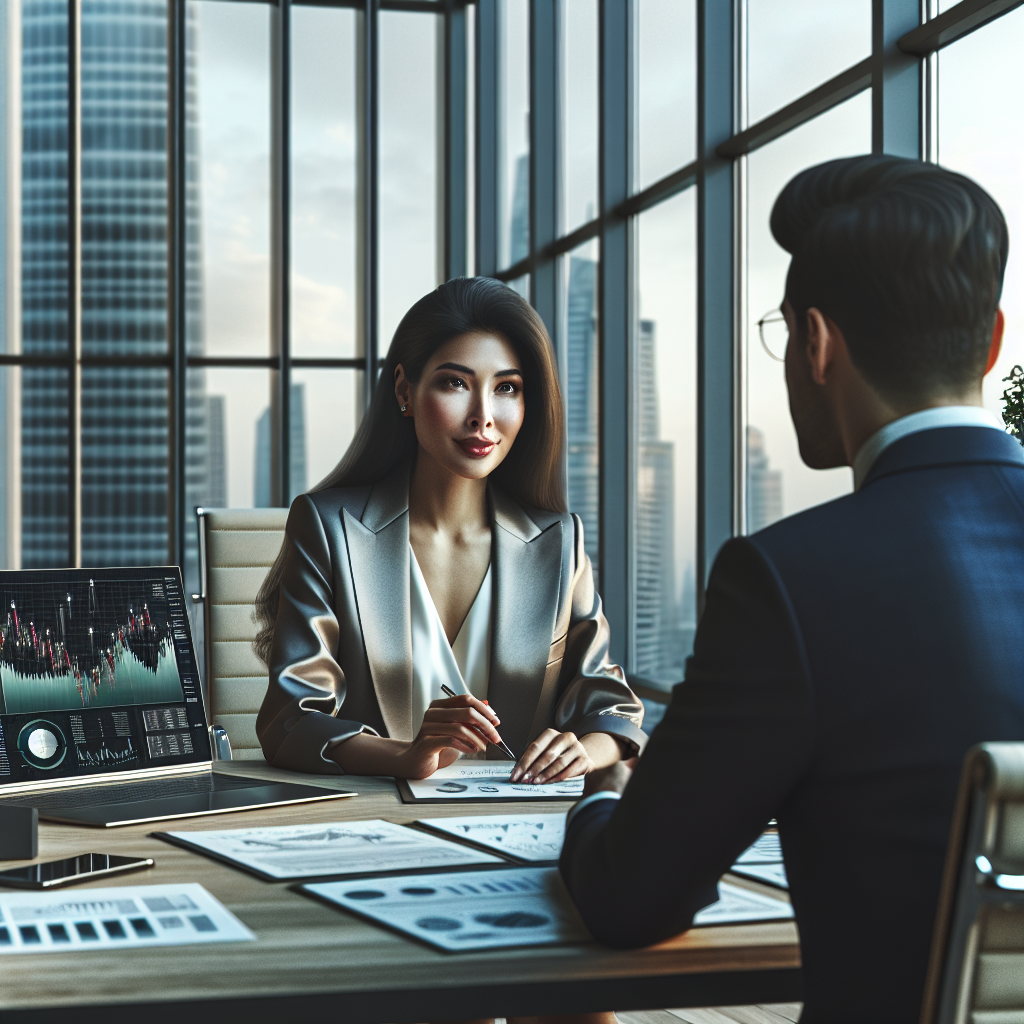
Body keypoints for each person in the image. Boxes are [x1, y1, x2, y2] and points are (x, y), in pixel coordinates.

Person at [558, 155, 1024, 1024]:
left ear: (816, 344)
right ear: (993, 342)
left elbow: (632, 898)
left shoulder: (791, 579)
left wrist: (598, 796)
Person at [254, 276, 645, 784]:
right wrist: (406, 756)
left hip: (518, 825)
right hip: (376, 822)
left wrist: (586, 752)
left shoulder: (558, 541)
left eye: (507, 388)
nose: (483, 417)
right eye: (455, 383)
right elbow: (290, 721)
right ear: (404, 391)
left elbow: (613, 708)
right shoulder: (329, 528)